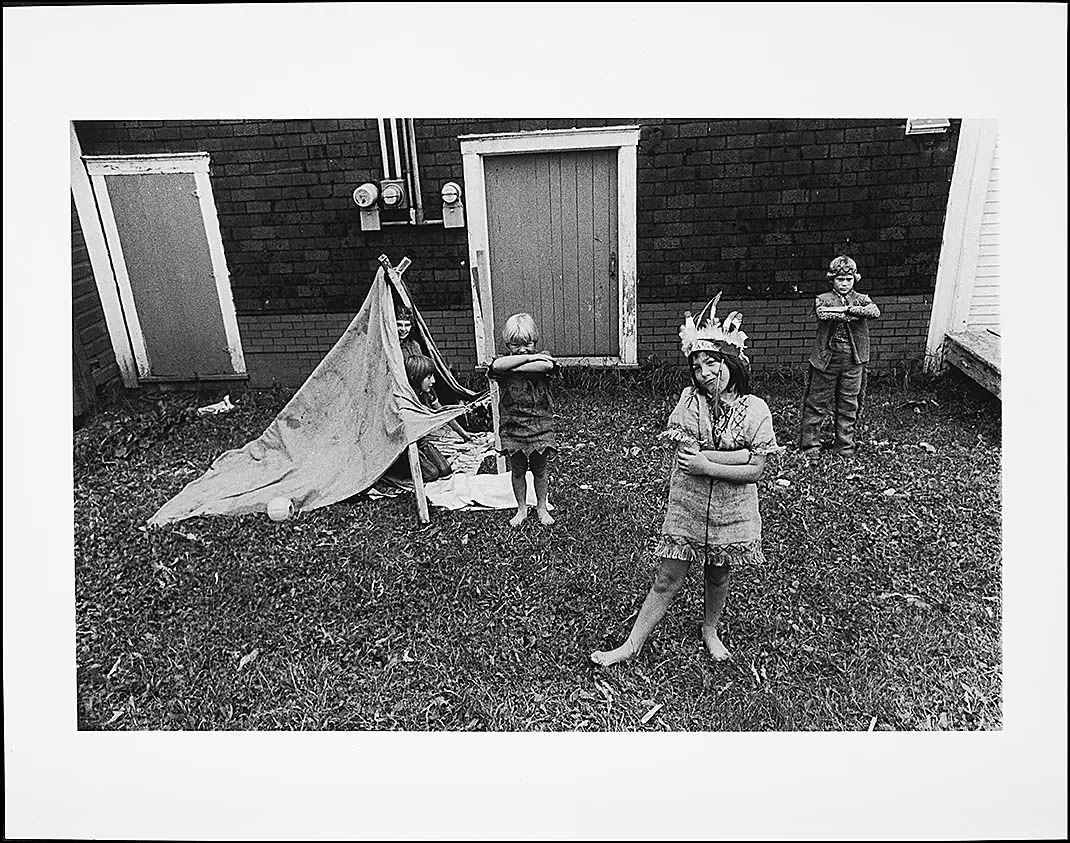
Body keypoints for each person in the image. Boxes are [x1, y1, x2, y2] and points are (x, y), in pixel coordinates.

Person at [591, 295, 779, 666]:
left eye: (713, 363)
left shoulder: (757, 408)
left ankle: (710, 629)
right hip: (688, 504)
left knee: (718, 575)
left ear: (733, 363)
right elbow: (687, 457)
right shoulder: (688, 401)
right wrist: (737, 456)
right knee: (667, 577)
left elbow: (756, 469)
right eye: (697, 366)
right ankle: (631, 645)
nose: (704, 372)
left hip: (733, 511)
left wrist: (712, 463)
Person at [798, 255, 881, 458]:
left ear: (855, 279)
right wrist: (851, 314)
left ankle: (844, 446)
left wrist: (850, 309)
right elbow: (824, 314)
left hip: (854, 359)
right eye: (840, 279)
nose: (844, 284)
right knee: (817, 402)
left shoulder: (861, 299)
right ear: (832, 280)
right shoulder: (823, 299)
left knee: (849, 403)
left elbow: (874, 311)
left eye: (849, 279)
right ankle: (810, 446)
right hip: (827, 358)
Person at [488, 313, 557, 527]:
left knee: (540, 470)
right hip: (512, 426)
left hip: (540, 425)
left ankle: (542, 506)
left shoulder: (542, 357)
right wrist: (527, 359)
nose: (523, 349)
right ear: (507, 344)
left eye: (527, 344)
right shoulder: (502, 363)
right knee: (517, 470)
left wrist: (516, 363)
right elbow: (497, 366)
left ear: (535, 341)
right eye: (515, 346)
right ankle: (521, 508)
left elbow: (546, 366)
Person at [400, 354, 469, 483]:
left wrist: (463, 434)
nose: (433, 381)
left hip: (423, 442)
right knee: (432, 474)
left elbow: (443, 415)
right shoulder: (406, 398)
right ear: (415, 377)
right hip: (407, 445)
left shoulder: (429, 393)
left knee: (445, 469)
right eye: (428, 377)